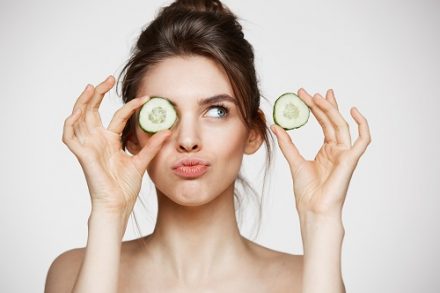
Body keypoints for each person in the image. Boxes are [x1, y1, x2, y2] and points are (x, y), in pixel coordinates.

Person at [44, 0, 371, 292]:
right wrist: (108, 212)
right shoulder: (72, 272)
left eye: (217, 111)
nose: (188, 140)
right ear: (131, 136)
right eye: (163, 114)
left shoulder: (303, 281)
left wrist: (321, 220)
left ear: (253, 132)